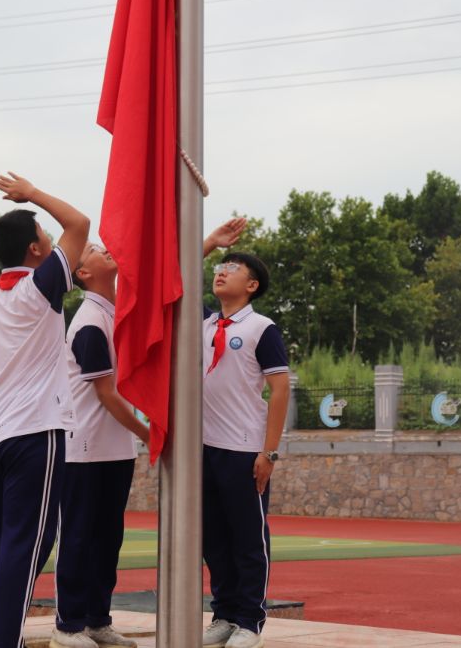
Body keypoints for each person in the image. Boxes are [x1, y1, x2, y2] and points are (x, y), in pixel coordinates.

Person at [0, 172, 89, 648]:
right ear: (36, 250)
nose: (50, 237)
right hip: (35, 431)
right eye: (43, 233)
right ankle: (2, 641)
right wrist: (32, 194)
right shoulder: (38, 288)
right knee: (29, 542)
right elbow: (78, 223)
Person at [50, 242, 149, 648]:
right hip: (84, 451)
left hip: (116, 450)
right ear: (84, 273)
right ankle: (67, 625)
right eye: (93, 250)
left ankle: (96, 620)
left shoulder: (114, 311)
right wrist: (149, 433)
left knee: (108, 539)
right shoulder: (90, 322)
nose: (105, 249)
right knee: (77, 537)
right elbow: (107, 395)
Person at [200, 228, 291, 648]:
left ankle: (251, 620)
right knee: (213, 539)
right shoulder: (201, 322)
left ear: (251, 285)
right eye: (220, 266)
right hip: (203, 449)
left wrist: (269, 451)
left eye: (232, 268)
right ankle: (224, 612)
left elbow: (280, 389)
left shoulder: (261, 328)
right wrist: (212, 243)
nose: (221, 272)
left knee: (248, 539)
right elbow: (173, 277)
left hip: (243, 449)